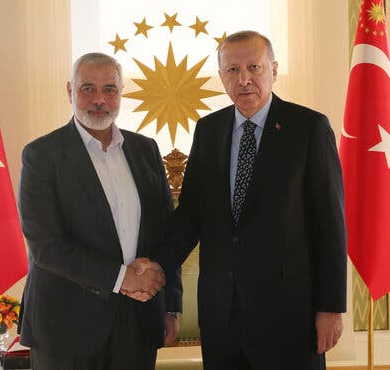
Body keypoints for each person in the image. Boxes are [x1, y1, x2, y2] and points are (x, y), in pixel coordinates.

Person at [155, 31, 347, 369]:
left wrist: (330, 308)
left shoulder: (309, 128)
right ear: (221, 76)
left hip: (289, 317)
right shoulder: (209, 130)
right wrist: (155, 267)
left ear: (273, 69)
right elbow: (190, 217)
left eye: (254, 67)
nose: (244, 80)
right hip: (221, 319)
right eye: (232, 70)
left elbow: (330, 224)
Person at [17, 52, 182, 370]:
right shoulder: (42, 155)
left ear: (121, 93)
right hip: (66, 325)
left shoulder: (146, 150)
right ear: (69, 91)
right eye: (87, 89)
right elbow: (45, 247)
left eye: (109, 89)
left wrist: (170, 306)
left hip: (138, 320)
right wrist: (122, 279)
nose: (99, 100)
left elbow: (166, 233)